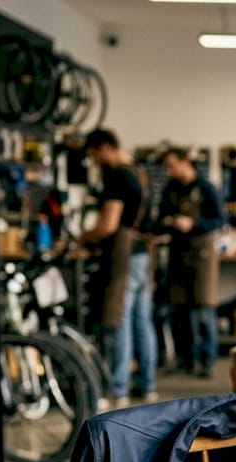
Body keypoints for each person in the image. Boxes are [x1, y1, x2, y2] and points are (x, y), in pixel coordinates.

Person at [78, 128, 157, 407]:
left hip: (124, 254)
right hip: (142, 254)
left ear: (103, 148)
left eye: (93, 154)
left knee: (117, 320)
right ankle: (147, 385)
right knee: (141, 321)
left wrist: (82, 238)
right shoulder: (139, 171)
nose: (94, 161)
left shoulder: (117, 176)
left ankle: (119, 389)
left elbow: (108, 224)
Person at [154, 147, 227, 378]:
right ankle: (187, 359)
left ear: (186, 162)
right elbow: (160, 217)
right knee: (180, 311)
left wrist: (193, 224)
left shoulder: (206, 188)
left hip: (202, 255)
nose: (169, 171)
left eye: (172, 165)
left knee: (204, 311)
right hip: (178, 253)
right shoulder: (171, 189)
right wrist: (170, 222)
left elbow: (220, 219)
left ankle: (207, 360)